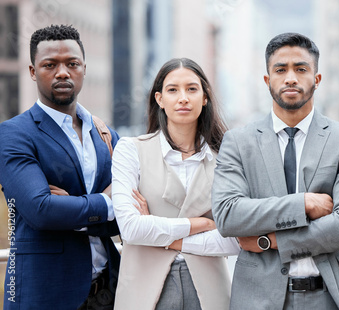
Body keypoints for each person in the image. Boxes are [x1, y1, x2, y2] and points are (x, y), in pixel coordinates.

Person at [211, 32, 339, 310]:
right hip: (259, 300)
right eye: (280, 70)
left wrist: (271, 241)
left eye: (301, 69)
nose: (291, 78)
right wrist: (303, 204)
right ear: (267, 81)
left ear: (317, 79)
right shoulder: (238, 142)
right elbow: (228, 215)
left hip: (334, 296)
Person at [0, 25, 121, 309]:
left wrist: (74, 210)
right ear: (32, 71)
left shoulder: (106, 136)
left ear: (84, 68)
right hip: (46, 293)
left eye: (72, 64)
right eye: (50, 65)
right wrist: (109, 201)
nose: (63, 72)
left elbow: (134, 212)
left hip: (109, 290)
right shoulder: (13, 134)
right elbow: (41, 211)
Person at [111, 58, 240, 310]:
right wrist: (200, 224)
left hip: (210, 293)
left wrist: (164, 235)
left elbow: (235, 239)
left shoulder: (226, 157)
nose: (183, 98)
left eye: (192, 89)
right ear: (159, 99)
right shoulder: (131, 149)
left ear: (205, 98)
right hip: (143, 291)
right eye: (173, 90)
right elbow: (130, 228)